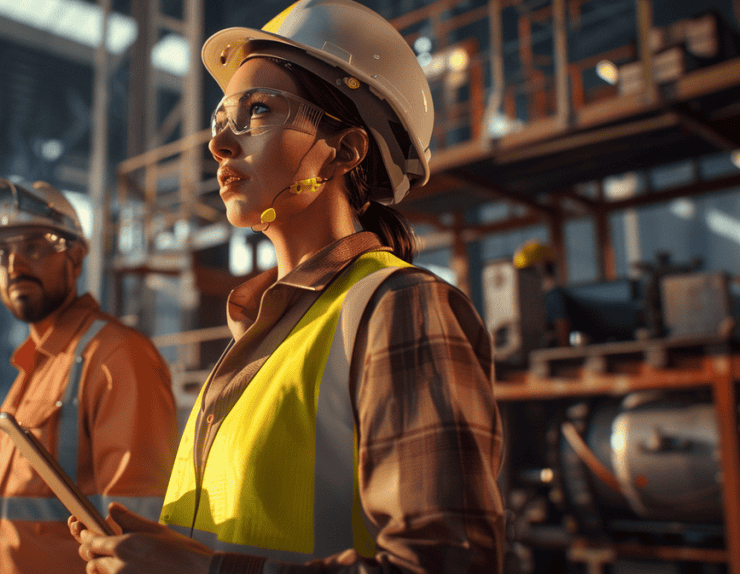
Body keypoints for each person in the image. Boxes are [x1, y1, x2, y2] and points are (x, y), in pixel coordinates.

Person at [70, 0, 505, 572]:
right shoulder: (258, 332)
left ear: (346, 151)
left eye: (258, 111)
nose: (220, 145)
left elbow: (449, 564)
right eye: (221, 119)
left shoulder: (397, 307)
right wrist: (172, 551)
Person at [0, 176, 179, 574]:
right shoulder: (34, 365)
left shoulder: (116, 356)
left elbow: (139, 533)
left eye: (33, 247)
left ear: (76, 258)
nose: (14, 265)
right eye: (1, 251)